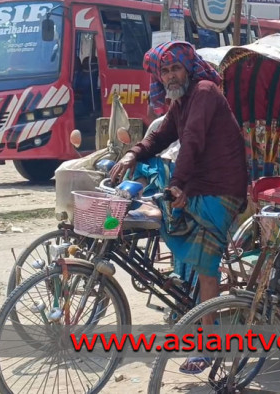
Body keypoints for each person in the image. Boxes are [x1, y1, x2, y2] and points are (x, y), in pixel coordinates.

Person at [109, 41, 247, 330]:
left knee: (207, 267)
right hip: (199, 186)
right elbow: (160, 136)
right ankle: (185, 297)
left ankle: (209, 340)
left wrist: (177, 184)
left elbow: (192, 141)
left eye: (175, 69)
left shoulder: (205, 92)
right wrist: (133, 154)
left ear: (188, 70)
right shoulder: (181, 102)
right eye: (165, 71)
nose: (170, 76)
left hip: (221, 189)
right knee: (153, 211)